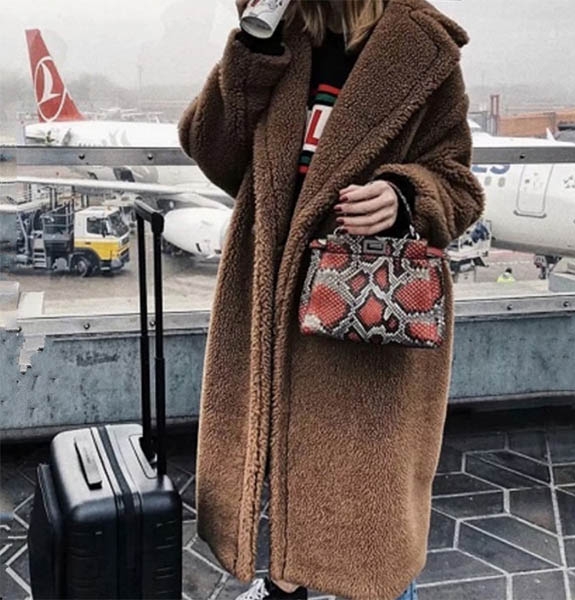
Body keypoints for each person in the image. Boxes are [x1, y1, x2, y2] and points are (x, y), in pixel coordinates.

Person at [178, 1, 486, 599]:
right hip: (269, 300)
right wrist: (253, 49)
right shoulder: (279, 37)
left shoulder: (420, 47)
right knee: (276, 470)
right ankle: (282, 588)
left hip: (366, 309)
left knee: (371, 518)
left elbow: (459, 184)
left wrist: (404, 196)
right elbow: (212, 151)